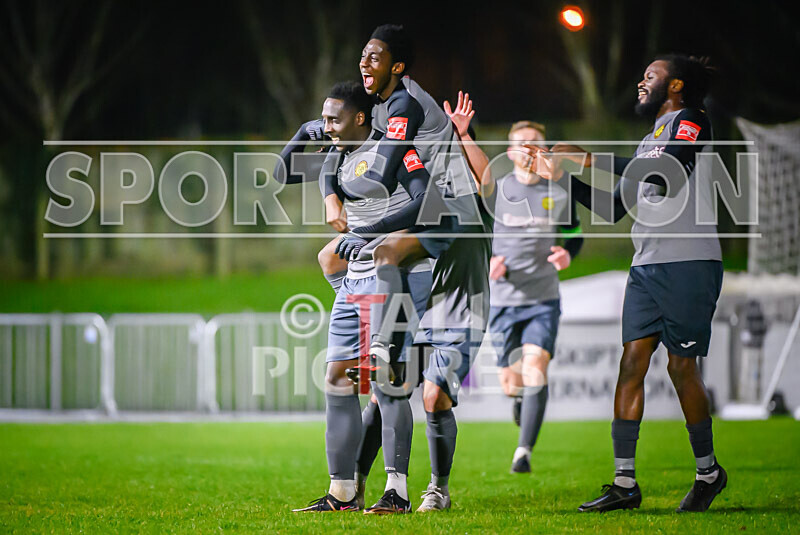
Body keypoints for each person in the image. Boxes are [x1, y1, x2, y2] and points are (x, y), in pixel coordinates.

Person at [538, 54, 726, 513]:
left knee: (681, 368)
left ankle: (709, 473)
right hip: (646, 265)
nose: (642, 83)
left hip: (689, 262)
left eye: (651, 76)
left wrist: (588, 156)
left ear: (676, 85)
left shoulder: (693, 121)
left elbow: (670, 170)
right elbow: (612, 209)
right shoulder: (647, 141)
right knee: (631, 363)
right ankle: (625, 484)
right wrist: (565, 179)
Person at [291, 81, 434, 513]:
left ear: (359, 118)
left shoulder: (392, 150)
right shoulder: (336, 156)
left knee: (387, 379)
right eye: (324, 118)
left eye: (334, 119)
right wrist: (303, 132)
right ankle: (343, 493)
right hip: (354, 279)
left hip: (391, 273)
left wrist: (368, 233)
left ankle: (397, 492)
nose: (327, 126)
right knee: (337, 377)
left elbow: (429, 202)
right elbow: (284, 171)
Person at [488, 120, 583, 474]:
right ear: (511, 151)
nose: (530, 150)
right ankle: (520, 402)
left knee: (536, 367)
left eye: (537, 144)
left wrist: (568, 253)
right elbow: (476, 237)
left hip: (543, 298)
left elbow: (575, 232)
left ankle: (523, 452)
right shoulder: (495, 191)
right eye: (523, 144)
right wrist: (489, 261)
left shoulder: (559, 192)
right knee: (512, 381)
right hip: (502, 301)